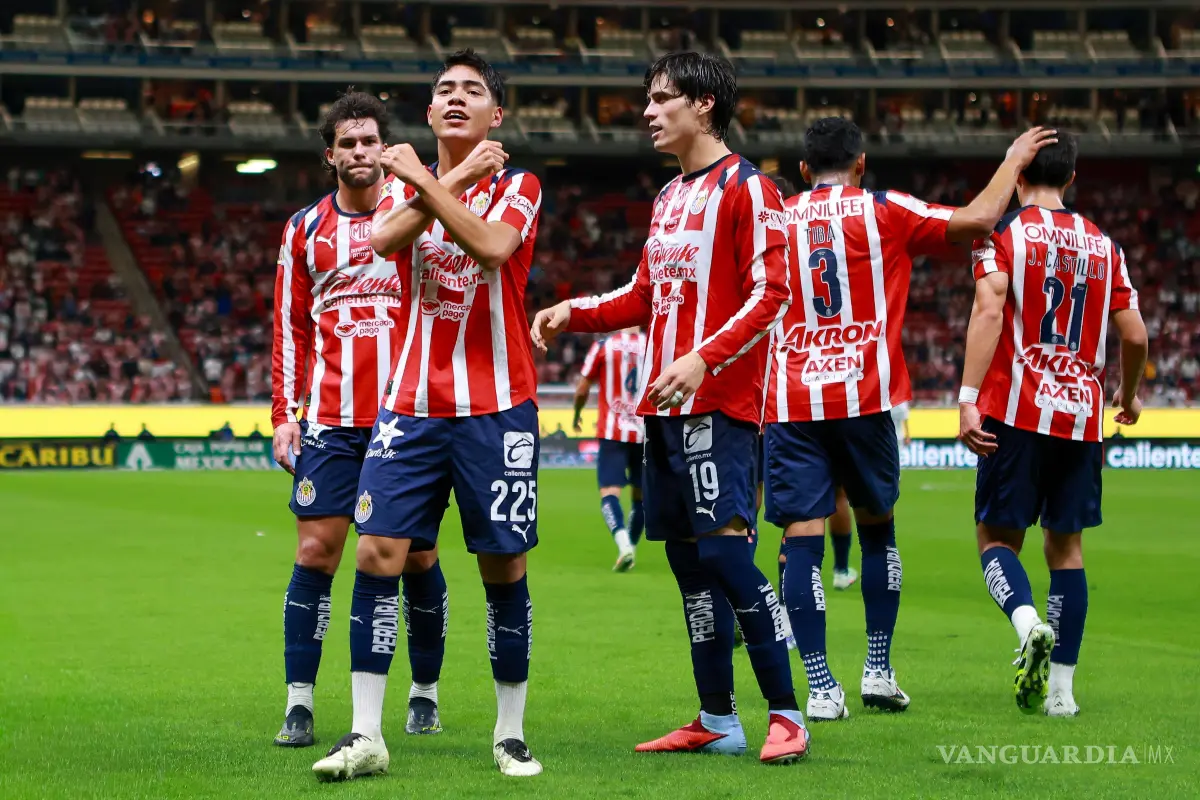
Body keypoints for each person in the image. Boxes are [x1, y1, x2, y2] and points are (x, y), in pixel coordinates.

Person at [533, 52, 808, 764]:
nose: (649, 112)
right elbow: (643, 297)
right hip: (663, 412)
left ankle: (788, 712)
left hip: (719, 404)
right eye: (648, 100)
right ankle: (717, 718)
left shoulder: (750, 189)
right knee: (691, 569)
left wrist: (700, 358)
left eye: (662, 99)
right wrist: (575, 310)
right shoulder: (669, 198)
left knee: (725, 555)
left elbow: (773, 293)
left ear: (704, 105)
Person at [762, 116, 1056, 722]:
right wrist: (1012, 159)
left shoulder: (776, 219)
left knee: (801, 542)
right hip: (867, 400)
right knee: (877, 532)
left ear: (801, 170)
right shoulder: (884, 208)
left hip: (791, 401)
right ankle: (877, 670)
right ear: (862, 163)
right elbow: (977, 220)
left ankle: (820, 687)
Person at [311, 50, 544, 780]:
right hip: (409, 407)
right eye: (443, 89)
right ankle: (365, 734)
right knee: (376, 553)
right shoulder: (399, 189)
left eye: (471, 91)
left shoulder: (519, 185)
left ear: (495, 116)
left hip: (497, 408)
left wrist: (436, 179)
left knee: (502, 565)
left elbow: (493, 246)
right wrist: (444, 178)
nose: (454, 98)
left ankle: (509, 733)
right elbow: (383, 240)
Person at [270, 91, 465, 750]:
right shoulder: (303, 230)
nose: (359, 153)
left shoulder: (417, 217)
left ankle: (426, 690)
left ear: (386, 151)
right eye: (346, 143)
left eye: (368, 142)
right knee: (315, 553)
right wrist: (283, 416)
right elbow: (290, 329)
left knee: (416, 559)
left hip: (405, 421)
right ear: (330, 155)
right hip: (328, 419)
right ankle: (299, 703)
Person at [958, 131, 1146, 716]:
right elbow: (1135, 334)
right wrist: (1128, 393)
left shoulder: (1003, 235)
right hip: (1082, 416)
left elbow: (990, 311)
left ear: (1017, 178)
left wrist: (967, 398)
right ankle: (1062, 693)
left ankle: (1026, 623)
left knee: (996, 539)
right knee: (1066, 550)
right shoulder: (1103, 244)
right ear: (1071, 178)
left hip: (1015, 412)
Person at [573, 327, 647, 571]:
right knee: (641, 497)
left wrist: (577, 414)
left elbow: (583, 387)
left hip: (612, 431)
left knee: (609, 492)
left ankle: (624, 545)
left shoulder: (604, 346)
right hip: (645, 432)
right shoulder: (653, 345)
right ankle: (631, 549)